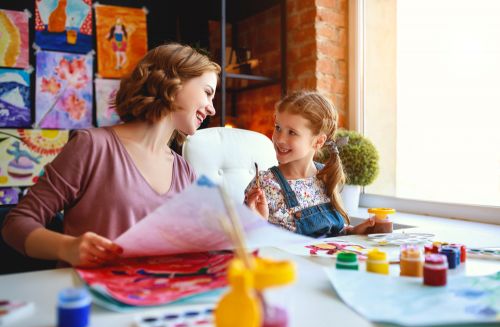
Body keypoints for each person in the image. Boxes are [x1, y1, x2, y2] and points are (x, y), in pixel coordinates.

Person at [2, 43, 220, 267]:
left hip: (159, 297)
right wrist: (66, 247)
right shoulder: (92, 146)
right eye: (207, 92)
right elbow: (16, 224)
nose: (212, 109)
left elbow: (200, 246)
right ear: (173, 82)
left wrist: (252, 221)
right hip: (89, 297)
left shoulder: (186, 172)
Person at [245, 91, 375, 237]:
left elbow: (333, 234)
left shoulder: (325, 175)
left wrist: (355, 231)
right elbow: (244, 244)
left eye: (292, 132)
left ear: (319, 141)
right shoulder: (264, 184)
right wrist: (257, 223)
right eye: (278, 128)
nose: (280, 139)